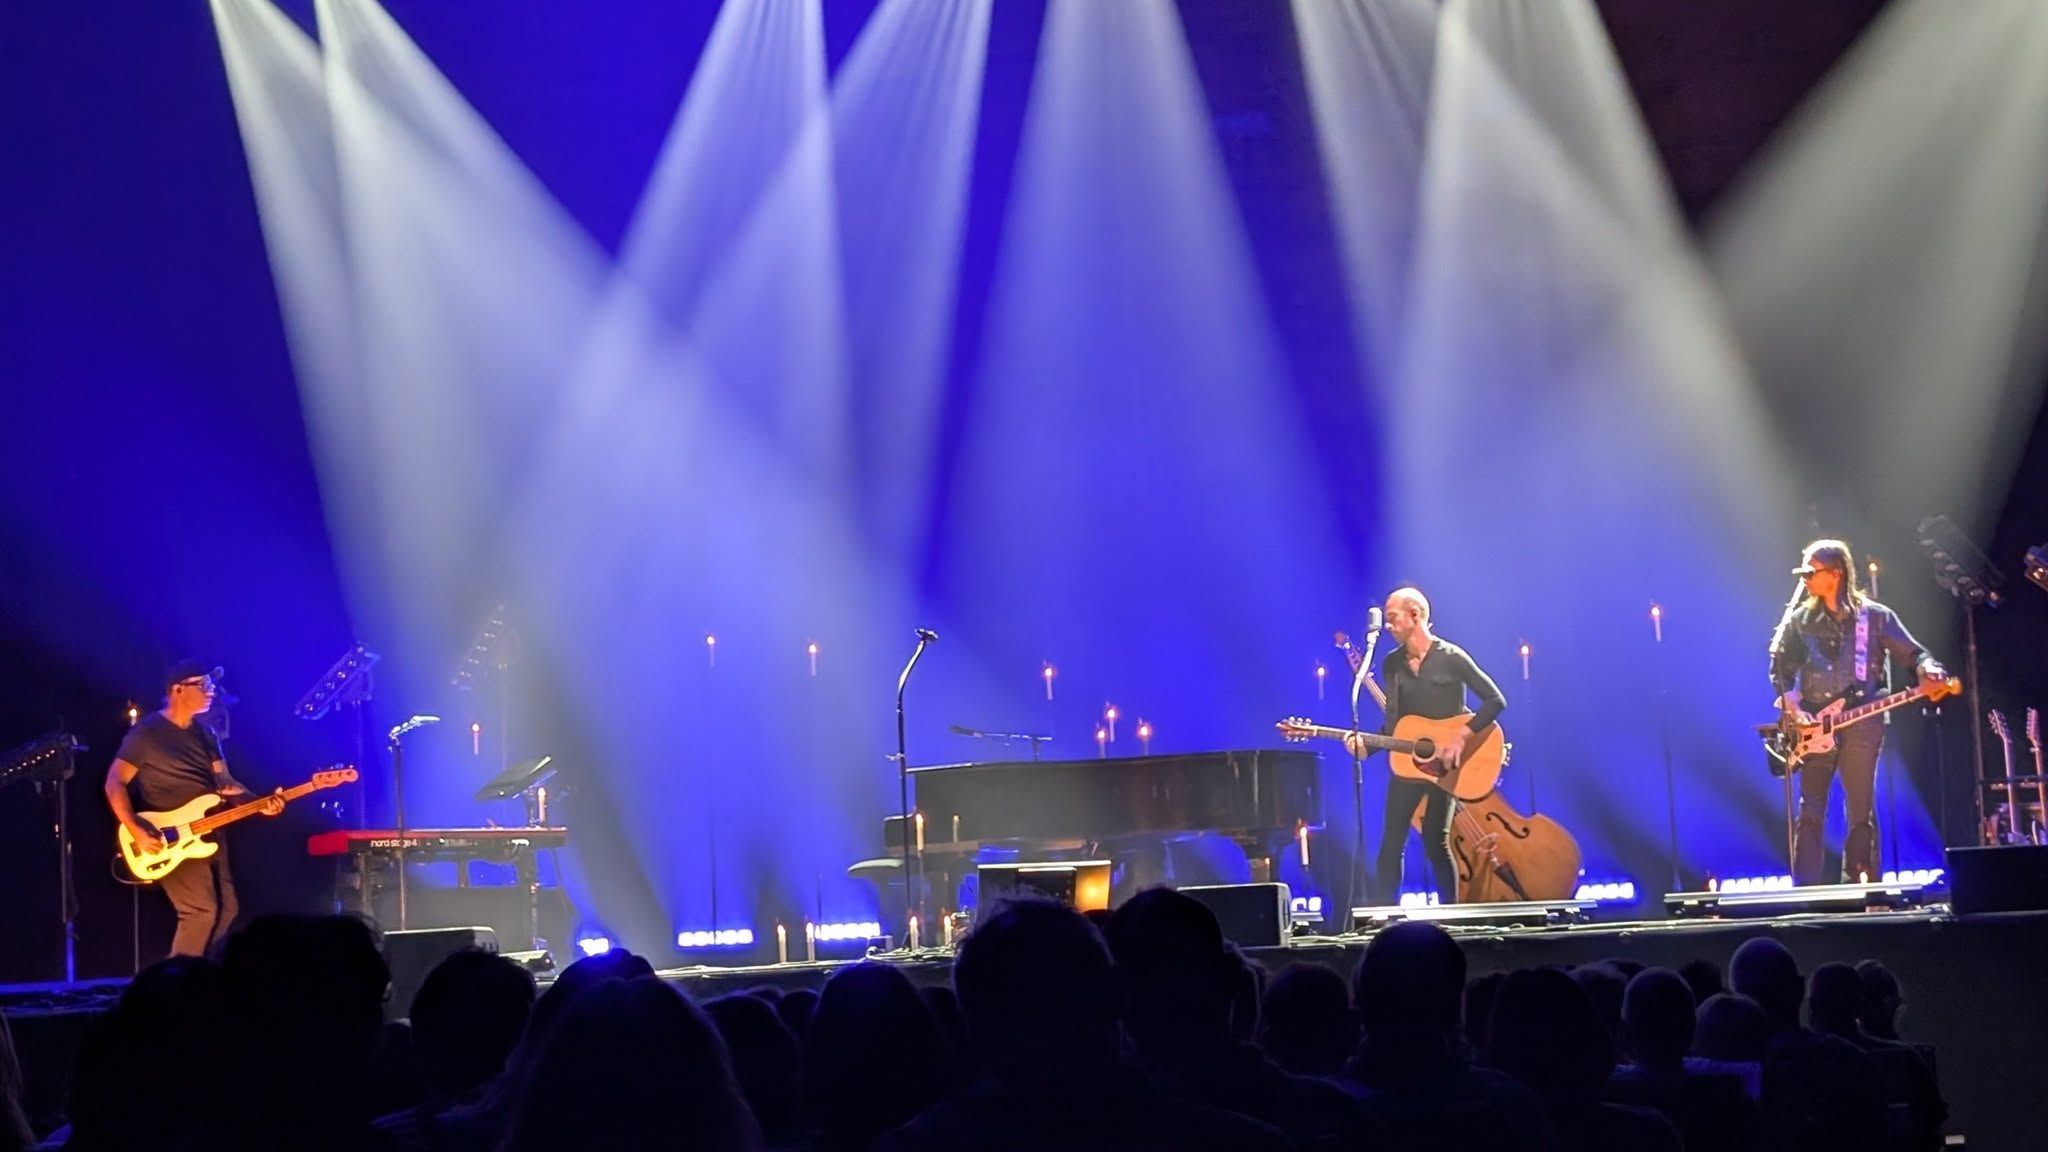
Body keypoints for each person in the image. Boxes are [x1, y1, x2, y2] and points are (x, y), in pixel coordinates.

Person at [1768, 540, 1949, 885]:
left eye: (1812, 571)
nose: (1804, 579)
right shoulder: (1800, 620)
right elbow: (1780, 667)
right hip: (1812, 727)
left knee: (1859, 809)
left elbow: (1914, 655)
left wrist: (1929, 669)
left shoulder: (1876, 618)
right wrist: (1789, 696)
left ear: (1835, 574)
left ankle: (1862, 887)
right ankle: (1804, 891)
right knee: (1809, 809)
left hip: (1862, 722)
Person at [103, 659, 279, 957]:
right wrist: (135, 829)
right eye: (204, 685)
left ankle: (201, 979)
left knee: (228, 909)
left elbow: (225, 783)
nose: (212, 692)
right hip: (168, 837)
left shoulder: (206, 733)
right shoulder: (147, 734)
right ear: (178, 690)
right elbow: (114, 783)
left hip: (210, 830)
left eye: (212, 685)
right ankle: (176, 987)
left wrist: (259, 803)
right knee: (200, 911)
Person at [1345, 587, 1507, 905]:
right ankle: (1384, 918)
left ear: (1415, 616)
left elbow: (1495, 701)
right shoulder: (1392, 664)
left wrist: (1462, 735)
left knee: (1436, 840)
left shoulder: (1452, 658)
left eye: (1393, 619)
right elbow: (1394, 725)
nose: (1388, 627)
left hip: (1447, 765)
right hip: (1409, 765)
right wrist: (1368, 747)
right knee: (1392, 842)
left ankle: (1451, 918)